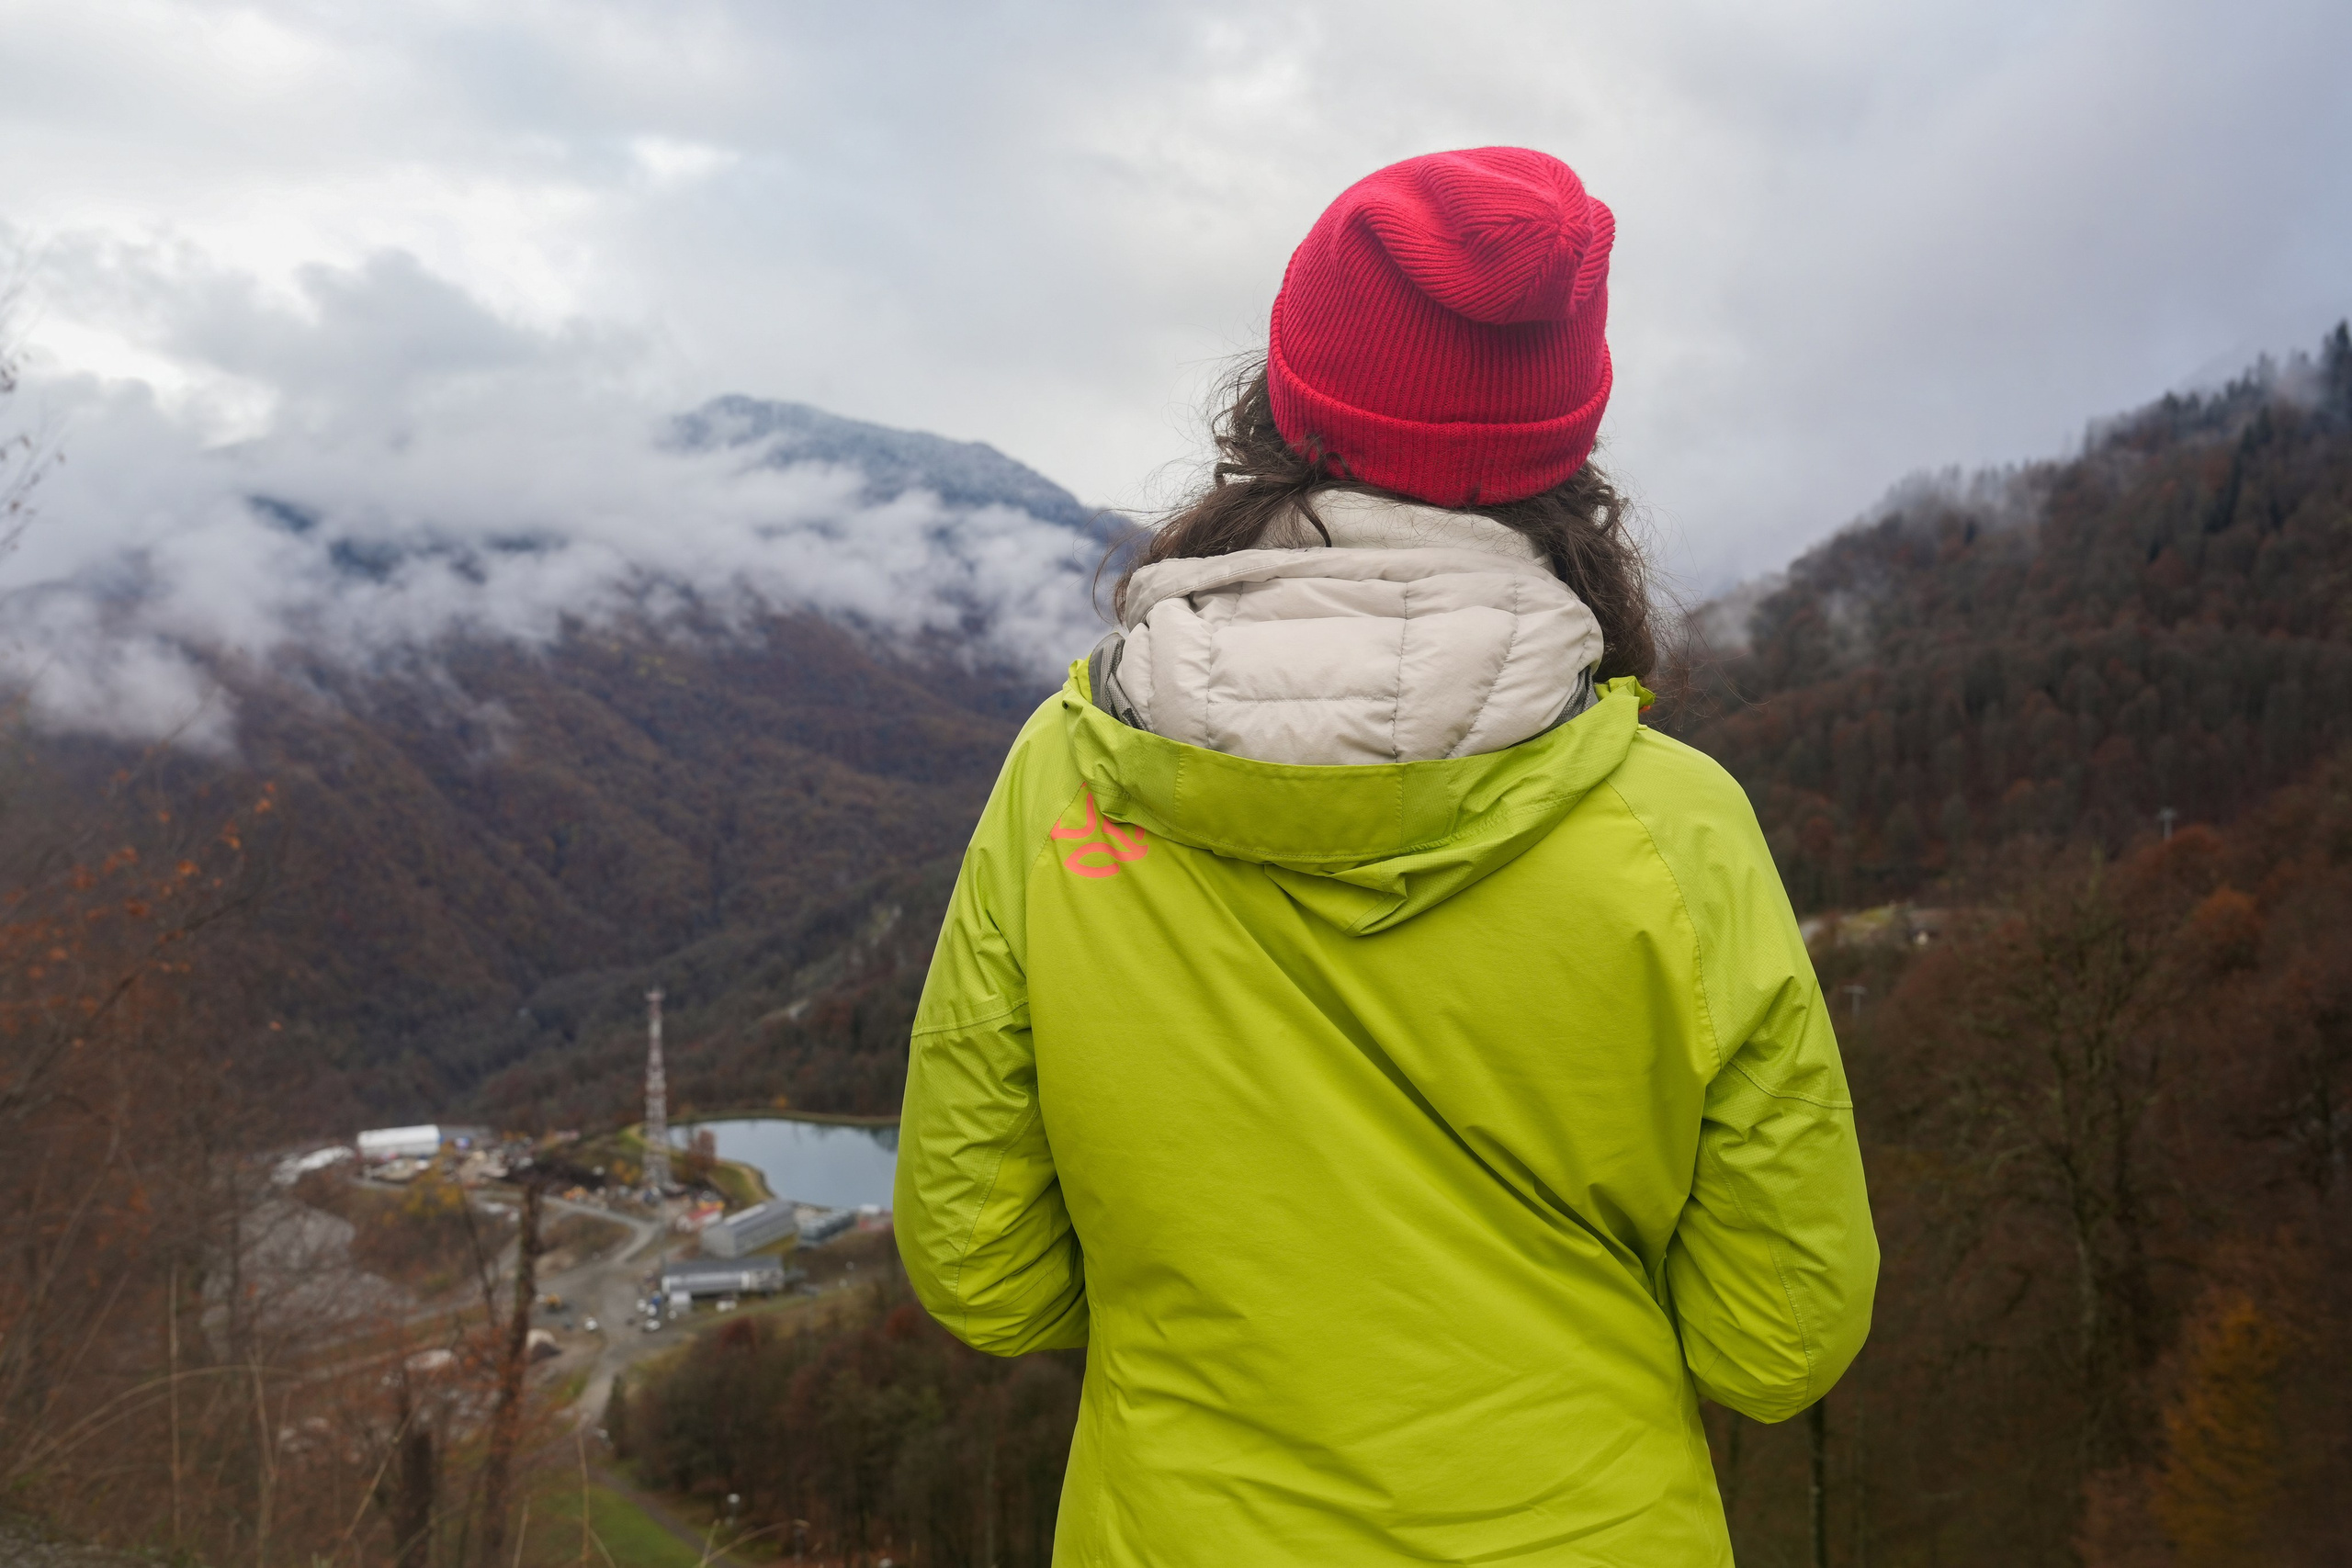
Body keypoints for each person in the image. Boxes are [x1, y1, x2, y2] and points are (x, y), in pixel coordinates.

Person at [894, 146, 1877, 1565]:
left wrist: (1199, 1329)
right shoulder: (1677, 830)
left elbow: (982, 1269)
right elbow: (1777, 1339)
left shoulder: (1069, 773)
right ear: (1567, 455)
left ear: (1282, 403)